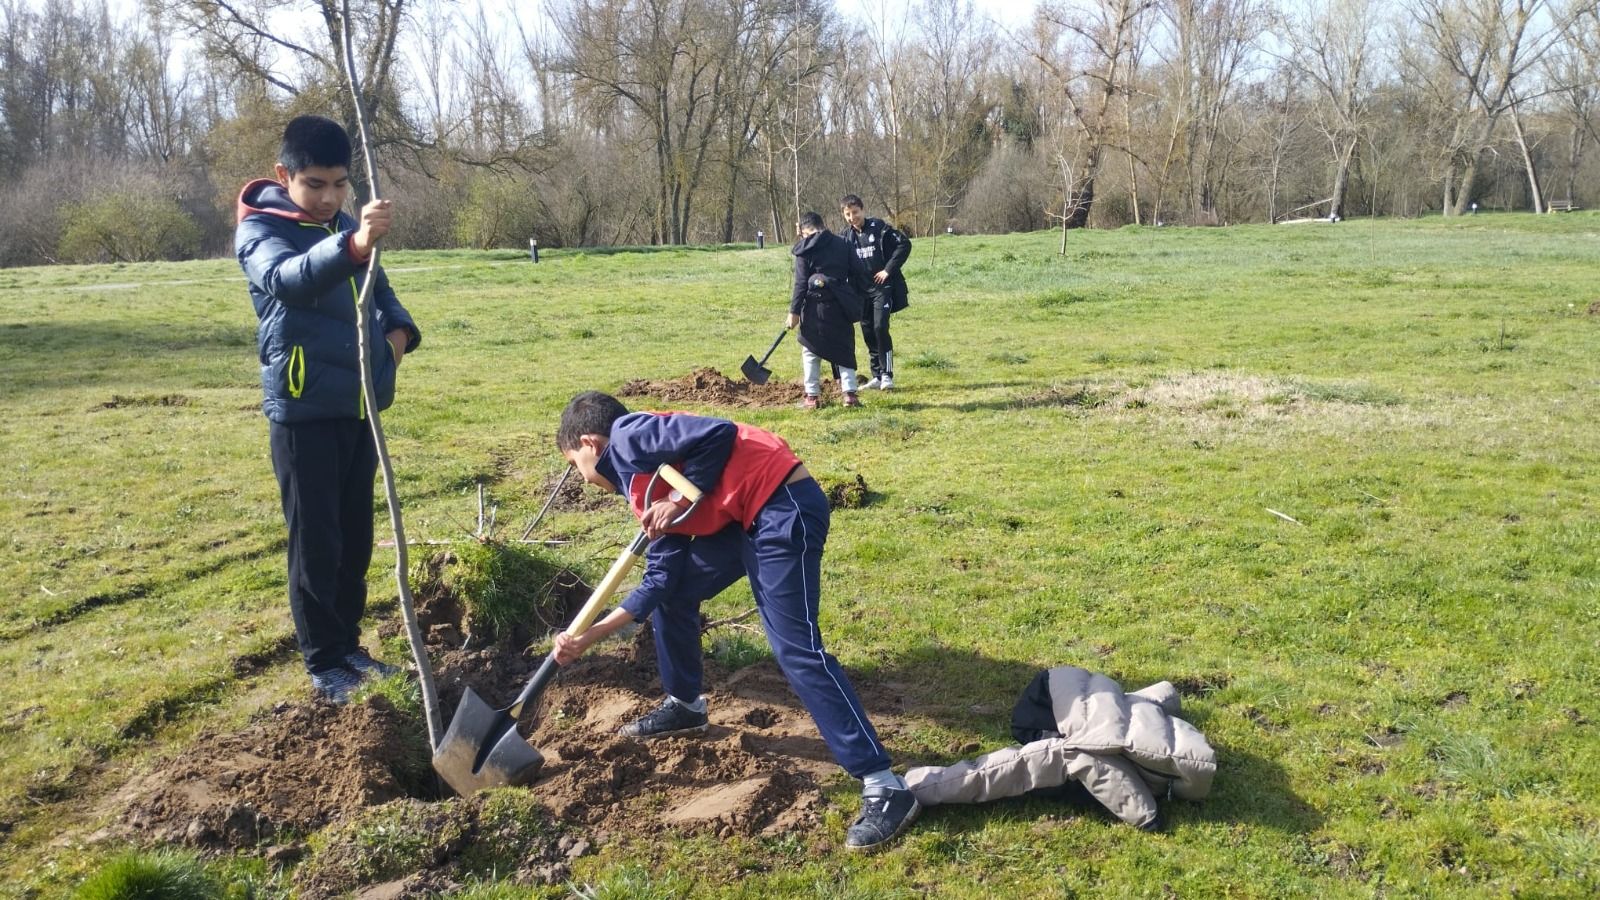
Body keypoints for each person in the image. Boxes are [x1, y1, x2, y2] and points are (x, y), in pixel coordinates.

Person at [550, 391, 920, 851]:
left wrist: (689, 496)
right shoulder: (636, 483)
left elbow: (718, 433)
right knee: (677, 595)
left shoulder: (627, 436)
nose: (581, 478)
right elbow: (661, 580)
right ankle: (685, 705)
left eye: (573, 462)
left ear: (588, 441)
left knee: (795, 649)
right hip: (743, 519)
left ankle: (883, 783)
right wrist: (593, 633)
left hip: (782, 504)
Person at [235, 115, 421, 704]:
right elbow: (289, 281)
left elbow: (381, 293)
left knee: (354, 539)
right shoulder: (262, 230)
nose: (329, 196)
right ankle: (323, 661)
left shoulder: (342, 224)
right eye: (315, 184)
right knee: (315, 542)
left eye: (340, 184)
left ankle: (349, 647)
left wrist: (397, 340)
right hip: (302, 410)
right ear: (284, 175)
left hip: (357, 405)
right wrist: (353, 244)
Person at [790, 211, 869, 409]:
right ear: (822, 224)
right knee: (844, 349)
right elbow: (860, 273)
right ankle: (849, 395)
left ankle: (812, 397)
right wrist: (853, 298)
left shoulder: (804, 250)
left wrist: (794, 313)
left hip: (815, 307)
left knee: (810, 350)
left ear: (804, 230)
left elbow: (800, 284)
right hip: (841, 305)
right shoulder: (843, 243)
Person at [839, 195, 911, 390]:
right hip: (860, 292)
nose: (852, 217)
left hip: (882, 289)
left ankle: (887, 375)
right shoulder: (845, 237)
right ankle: (877, 376)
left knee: (880, 328)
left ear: (863, 210)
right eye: (848, 214)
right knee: (868, 332)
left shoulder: (880, 228)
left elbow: (904, 245)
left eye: (855, 212)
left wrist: (888, 270)